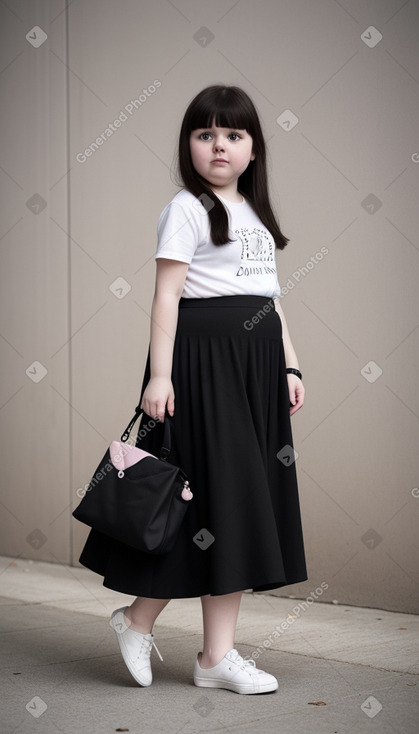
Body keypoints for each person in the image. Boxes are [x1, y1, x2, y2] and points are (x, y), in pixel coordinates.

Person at [78, 84, 308, 695]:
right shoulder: (186, 207)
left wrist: (289, 366)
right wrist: (160, 375)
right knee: (203, 500)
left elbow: (270, 300)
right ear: (190, 146)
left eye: (233, 135)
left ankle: (213, 657)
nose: (219, 146)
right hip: (199, 367)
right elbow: (166, 295)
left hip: (254, 371)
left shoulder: (257, 216)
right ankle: (140, 619)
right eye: (205, 134)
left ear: (254, 148)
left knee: (234, 504)